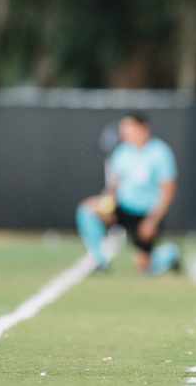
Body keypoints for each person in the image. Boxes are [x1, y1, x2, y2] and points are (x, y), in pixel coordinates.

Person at [76, 114, 180, 274]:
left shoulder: (160, 152)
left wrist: (152, 221)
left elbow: (168, 192)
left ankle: (169, 254)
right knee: (87, 210)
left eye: (129, 128)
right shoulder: (122, 152)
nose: (125, 133)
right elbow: (113, 187)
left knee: (145, 268)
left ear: (143, 129)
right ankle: (99, 261)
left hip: (146, 215)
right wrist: (107, 206)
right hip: (123, 208)